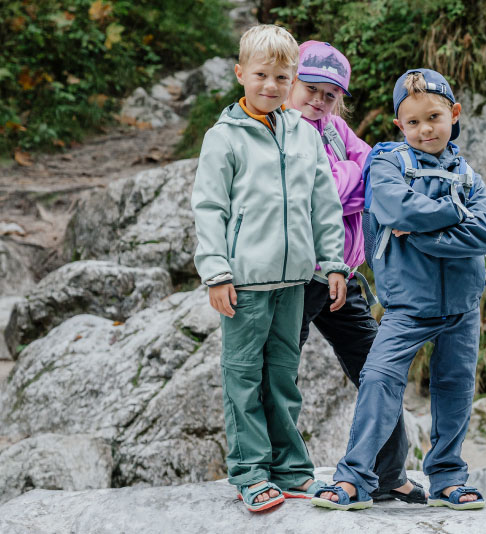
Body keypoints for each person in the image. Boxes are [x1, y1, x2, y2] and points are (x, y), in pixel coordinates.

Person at [311, 68, 486, 511]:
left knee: (454, 387)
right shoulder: (386, 162)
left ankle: (448, 478)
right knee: (378, 378)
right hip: (406, 307)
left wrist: (417, 233)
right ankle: (355, 478)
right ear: (400, 124)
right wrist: (455, 215)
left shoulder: (468, 175)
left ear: (454, 113)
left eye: (434, 117)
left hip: (462, 306)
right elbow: (395, 206)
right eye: (412, 122)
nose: (424, 129)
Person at [191, 24, 349, 512]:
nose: (271, 86)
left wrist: (335, 264)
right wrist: (216, 272)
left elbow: (324, 206)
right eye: (261, 74)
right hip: (243, 283)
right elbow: (209, 208)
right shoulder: (224, 138)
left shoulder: (304, 134)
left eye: (283, 77)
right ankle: (250, 471)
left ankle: (291, 468)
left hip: (296, 281)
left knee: (283, 375)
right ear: (241, 73)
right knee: (244, 376)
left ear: (293, 78)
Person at [286, 41, 426, 504]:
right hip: (300, 274)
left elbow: (376, 169)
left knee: (376, 368)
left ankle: (389, 473)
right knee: (281, 369)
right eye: (311, 88)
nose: (319, 100)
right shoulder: (284, 131)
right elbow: (318, 191)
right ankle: (283, 469)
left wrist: (353, 178)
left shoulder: (334, 127)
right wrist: (354, 181)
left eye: (330, 94)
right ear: (290, 82)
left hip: (342, 274)